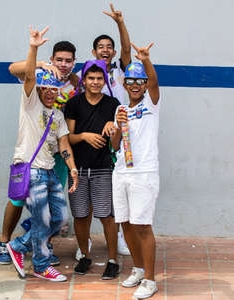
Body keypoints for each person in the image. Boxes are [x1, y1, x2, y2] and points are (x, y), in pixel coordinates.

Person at [6, 26, 78, 282]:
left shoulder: (57, 115)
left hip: (49, 171)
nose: (49, 92)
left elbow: (64, 145)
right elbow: (24, 75)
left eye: (53, 89)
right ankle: (41, 265)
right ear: (38, 89)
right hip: (31, 169)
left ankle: (18, 246)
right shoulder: (30, 102)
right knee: (44, 218)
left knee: (59, 219)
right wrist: (34, 49)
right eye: (44, 88)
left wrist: (72, 169)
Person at [74, 3, 132, 259]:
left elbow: (128, 50)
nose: (106, 50)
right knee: (82, 203)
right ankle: (82, 243)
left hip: (121, 137)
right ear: (94, 52)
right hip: (88, 148)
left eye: (110, 47)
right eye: (101, 47)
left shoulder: (121, 71)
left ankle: (118, 237)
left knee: (115, 194)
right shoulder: (84, 75)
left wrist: (120, 23)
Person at [110, 43, 160, 299]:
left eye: (140, 80)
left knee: (143, 227)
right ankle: (139, 269)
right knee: (126, 225)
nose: (136, 85)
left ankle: (151, 280)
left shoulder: (151, 104)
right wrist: (115, 127)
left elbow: (154, 84)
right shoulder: (121, 109)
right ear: (125, 84)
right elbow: (115, 146)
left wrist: (146, 60)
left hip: (144, 174)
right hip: (121, 173)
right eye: (131, 81)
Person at [65, 59, 120, 279]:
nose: (95, 82)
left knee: (107, 216)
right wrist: (85, 136)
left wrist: (113, 129)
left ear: (104, 80)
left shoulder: (112, 104)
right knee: (80, 216)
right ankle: (85, 256)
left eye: (99, 79)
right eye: (91, 78)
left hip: (103, 169)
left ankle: (113, 260)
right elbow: (67, 137)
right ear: (84, 81)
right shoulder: (74, 104)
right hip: (78, 170)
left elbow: (117, 143)